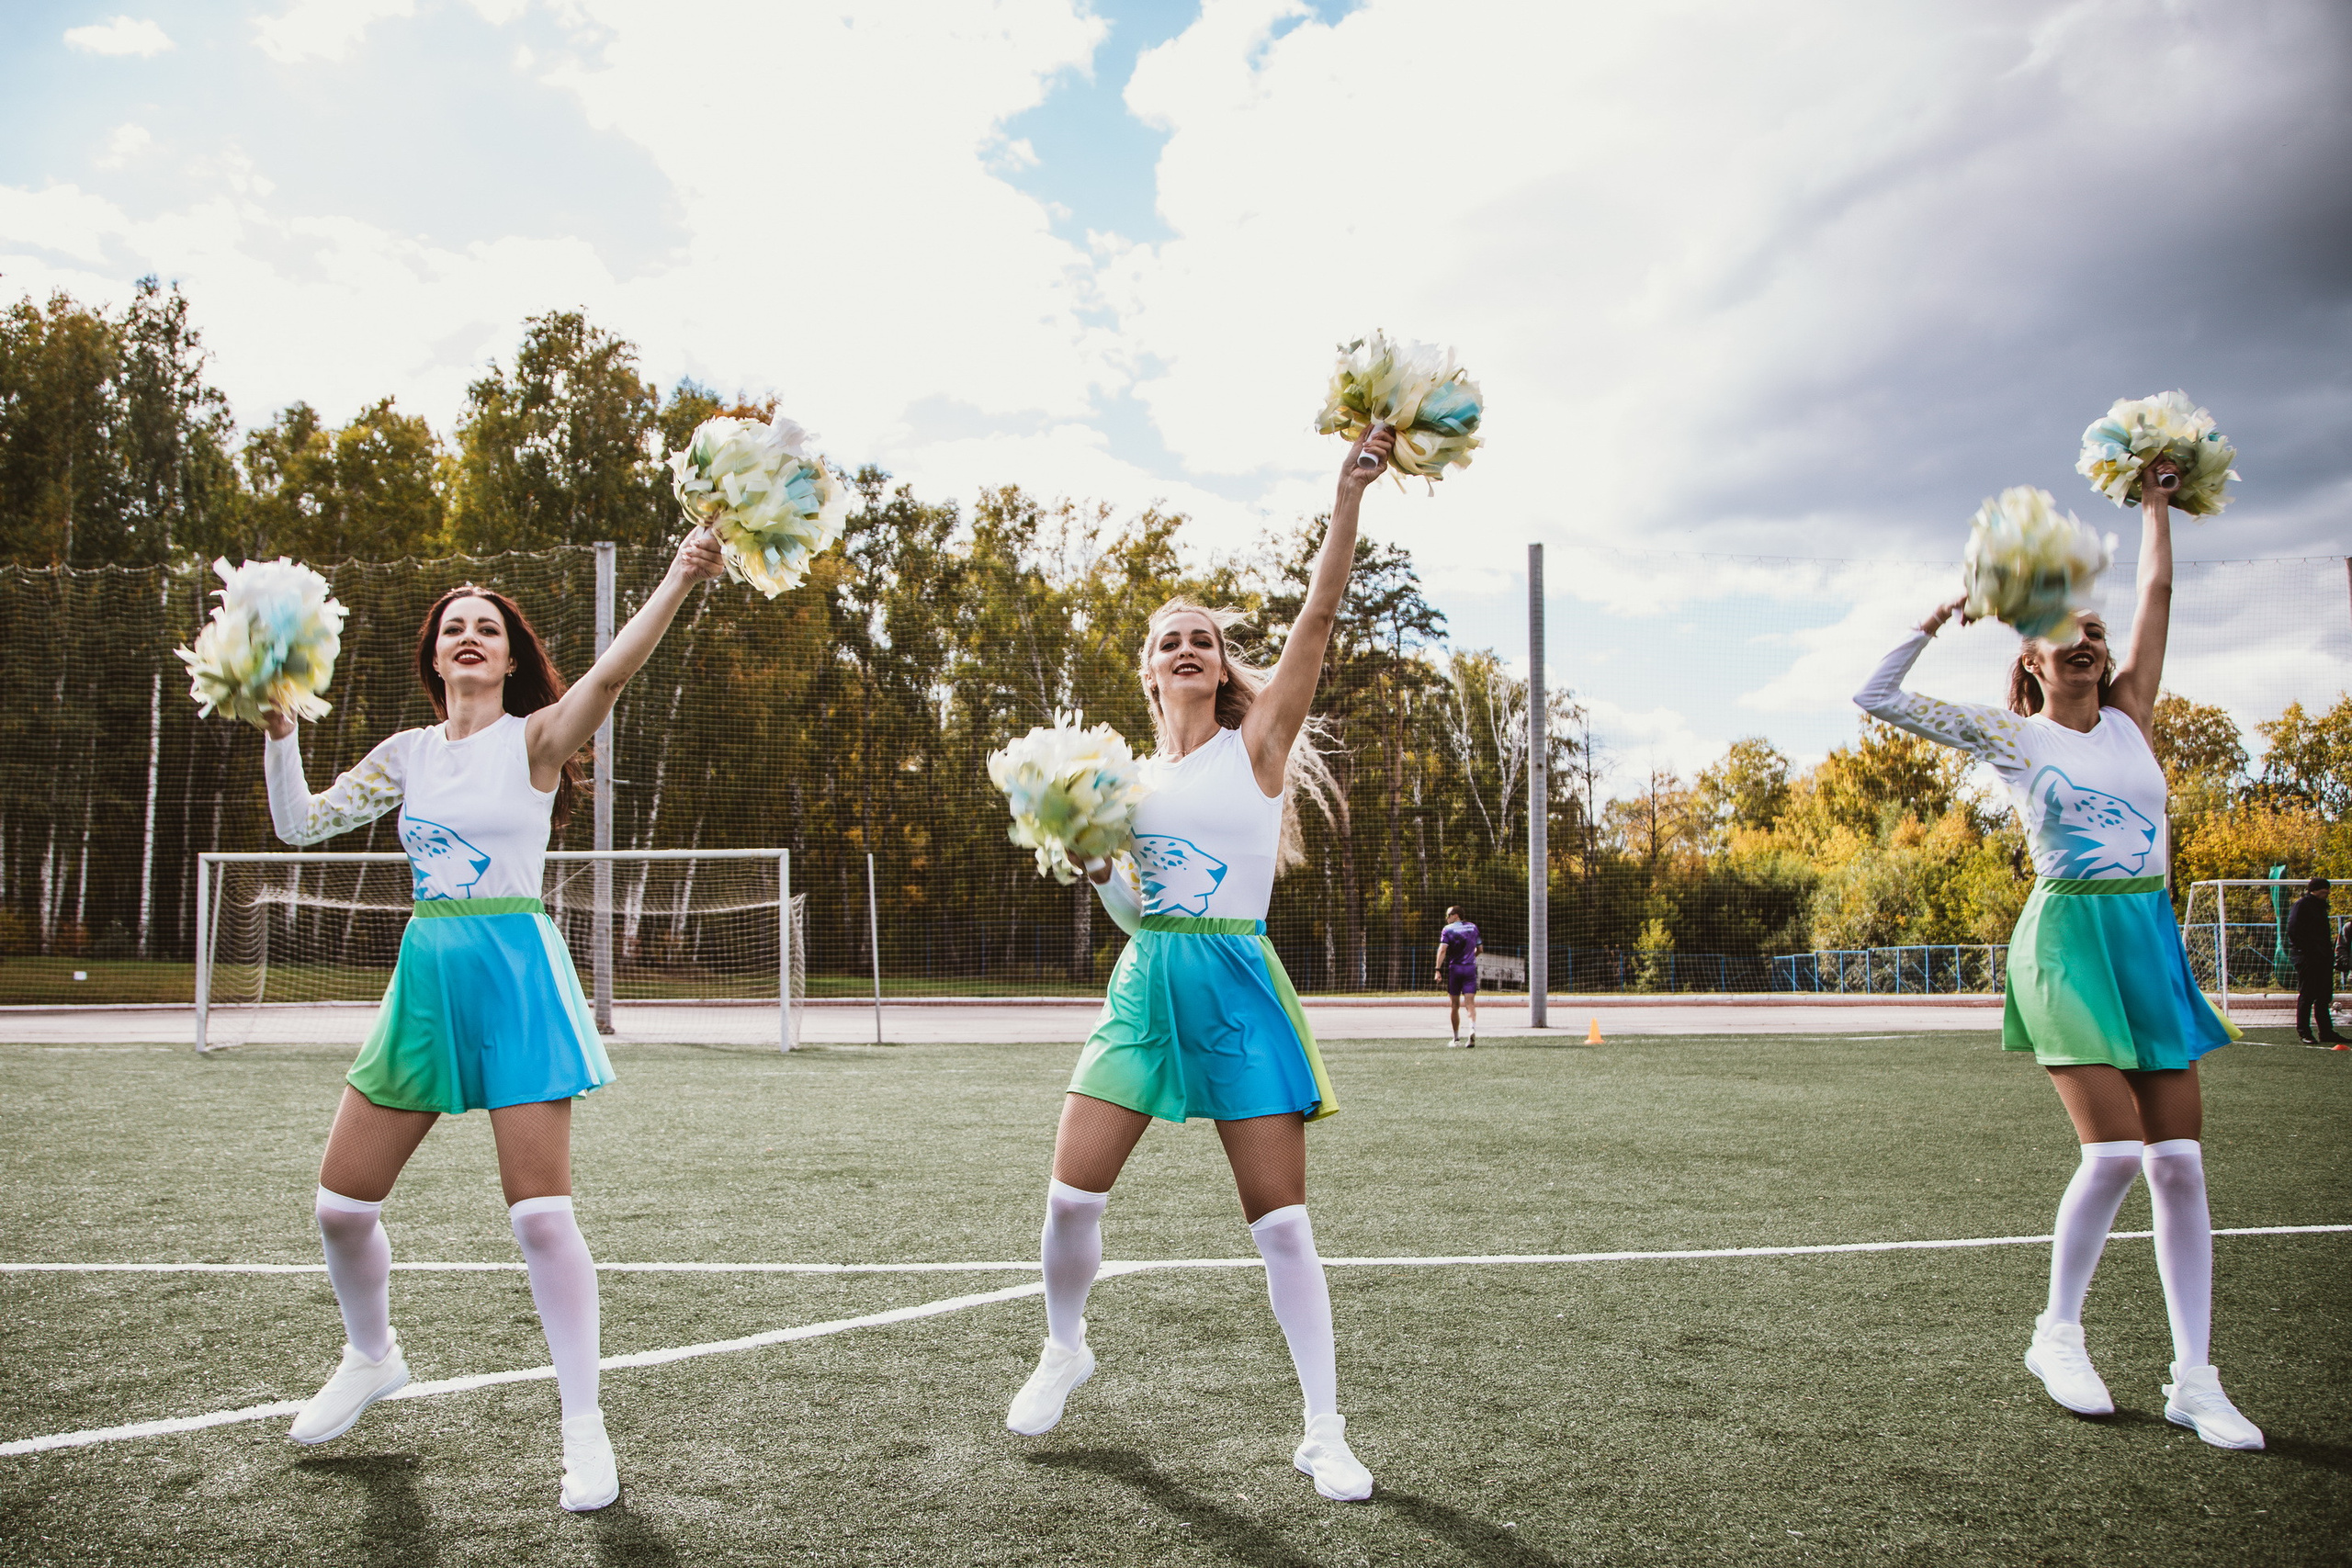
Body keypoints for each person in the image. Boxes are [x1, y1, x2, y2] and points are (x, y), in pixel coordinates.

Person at [259, 529, 725, 1509]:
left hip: (516, 969)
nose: (469, 637)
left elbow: (608, 676)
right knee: (341, 1207)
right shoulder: (406, 756)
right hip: (426, 974)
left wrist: (680, 576)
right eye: (452, 628)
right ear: (433, 657)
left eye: (488, 628)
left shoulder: (536, 738)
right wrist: (280, 729)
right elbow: (299, 824)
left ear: (510, 656)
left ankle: (584, 1429)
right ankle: (372, 1355)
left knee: (542, 1216)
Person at [1001, 427, 1394, 1502]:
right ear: (1146, 668)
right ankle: (1065, 1346)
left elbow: (1316, 615)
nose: (1187, 648)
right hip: (1148, 983)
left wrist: (1345, 495)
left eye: (1204, 638)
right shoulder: (1115, 780)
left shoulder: (1255, 745)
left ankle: (1323, 1430)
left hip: (1235, 987)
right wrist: (1091, 868)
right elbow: (1136, 911)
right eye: (1170, 638)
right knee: (1071, 1197)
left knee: (1280, 1224)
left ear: (1221, 666)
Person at [1853, 455, 2262, 1450]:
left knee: (2179, 1167)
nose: (2086, 639)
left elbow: (2156, 587)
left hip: (2147, 938)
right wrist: (1948, 607)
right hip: (2066, 940)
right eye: (2063, 634)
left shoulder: (2131, 718)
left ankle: (2194, 1381)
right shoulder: (2010, 737)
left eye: (2095, 632)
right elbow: (1874, 694)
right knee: (2117, 1148)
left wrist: (2157, 502)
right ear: (2028, 659)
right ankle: (2057, 1331)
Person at [2286, 876, 2344, 1045]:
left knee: (2324, 995)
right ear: (2315, 889)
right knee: (2308, 994)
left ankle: (2326, 1032)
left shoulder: (2320, 907)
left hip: (2322, 958)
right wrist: (2308, 952)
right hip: (2307, 958)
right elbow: (2293, 930)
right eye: (2324, 889)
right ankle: (2304, 1032)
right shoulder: (2301, 905)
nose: (2327, 892)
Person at [1434, 906, 1481, 1046]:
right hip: (1470, 969)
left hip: (1455, 969)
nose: (1446, 918)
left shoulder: (1447, 929)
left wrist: (1437, 969)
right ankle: (1472, 1029)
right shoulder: (1473, 927)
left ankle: (1455, 1039)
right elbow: (1480, 949)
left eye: (1448, 915)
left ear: (1456, 916)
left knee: (1454, 1005)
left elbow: (1442, 950)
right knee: (1470, 1004)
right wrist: (1472, 956)